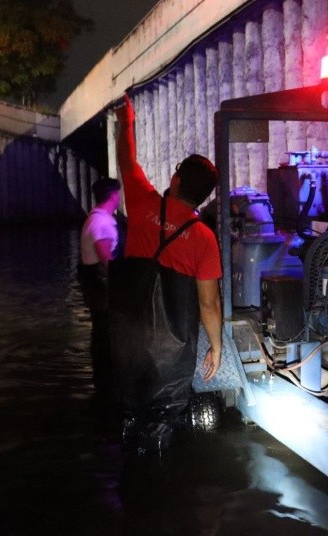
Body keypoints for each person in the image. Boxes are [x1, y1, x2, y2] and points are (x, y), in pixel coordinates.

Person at [110, 93, 222, 452]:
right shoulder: (204, 238)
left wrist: (125, 120)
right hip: (171, 356)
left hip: (127, 339)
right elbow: (208, 306)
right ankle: (159, 484)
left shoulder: (142, 203)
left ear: (175, 179)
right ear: (203, 198)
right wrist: (216, 347)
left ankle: (128, 484)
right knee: (161, 429)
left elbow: (126, 159)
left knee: (129, 417)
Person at [77, 176, 121, 397]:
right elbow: (106, 258)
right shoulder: (101, 223)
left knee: (101, 327)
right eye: (118, 194)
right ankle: (106, 374)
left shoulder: (96, 219)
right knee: (104, 327)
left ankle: (102, 371)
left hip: (95, 283)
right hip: (101, 285)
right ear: (113, 195)